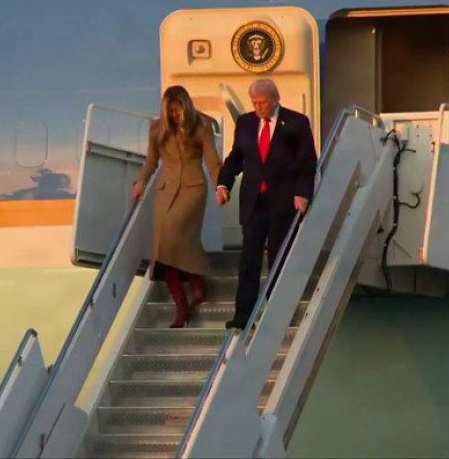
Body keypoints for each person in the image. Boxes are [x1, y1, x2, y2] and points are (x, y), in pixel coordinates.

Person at [215, 79, 317, 330]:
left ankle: (278, 311)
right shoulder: (246, 123)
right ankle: (243, 315)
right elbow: (235, 158)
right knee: (249, 259)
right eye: (254, 103)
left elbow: (307, 163)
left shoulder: (296, 123)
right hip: (254, 203)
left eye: (262, 103)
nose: (258, 107)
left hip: (282, 202)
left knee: (278, 257)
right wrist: (223, 184)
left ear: (275, 99)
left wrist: (302, 193)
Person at [132, 85, 223, 328]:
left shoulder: (201, 126)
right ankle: (182, 306)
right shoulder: (156, 130)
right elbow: (151, 160)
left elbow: (213, 160)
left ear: (185, 108)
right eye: (170, 111)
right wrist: (141, 182)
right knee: (164, 248)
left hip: (193, 189)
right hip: (165, 191)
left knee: (178, 238)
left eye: (177, 111)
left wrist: (221, 186)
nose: (173, 116)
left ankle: (198, 281)